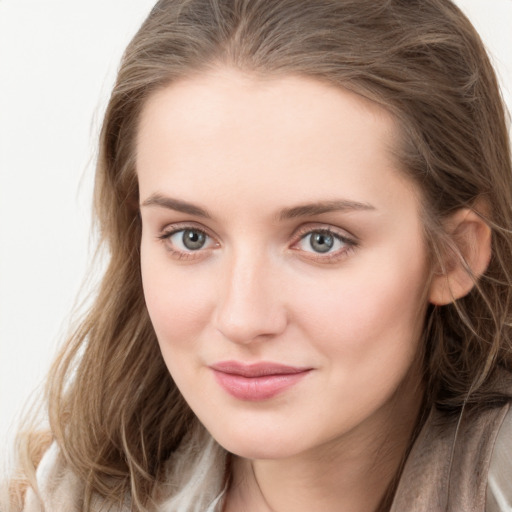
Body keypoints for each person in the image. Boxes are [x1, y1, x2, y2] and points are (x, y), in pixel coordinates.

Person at [3, 0, 512, 510]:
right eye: (190, 237)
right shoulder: (57, 497)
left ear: (454, 255)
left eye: (322, 240)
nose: (243, 319)